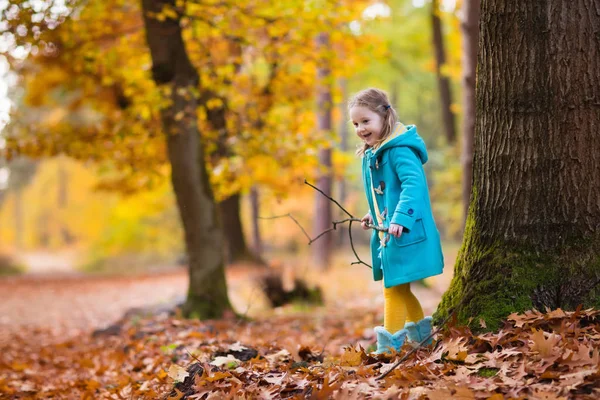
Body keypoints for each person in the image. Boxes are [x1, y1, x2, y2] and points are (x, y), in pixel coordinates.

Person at [349, 87, 444, 354]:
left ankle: (388, 348)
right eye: (355, 124)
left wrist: (400, 217)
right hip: (390, 230)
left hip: (406, 230)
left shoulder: (399, 149)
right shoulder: (376, 151)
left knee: (393, 288)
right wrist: (375, 213)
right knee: (400, 288)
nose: (360, 129)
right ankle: (423, 340)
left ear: (384, 116)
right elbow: (387, 192)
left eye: (366, 121)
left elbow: (413, 185)